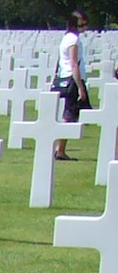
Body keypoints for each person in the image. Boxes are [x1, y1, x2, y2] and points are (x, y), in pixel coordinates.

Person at [56, 11, 90, 161]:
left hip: (66, 78)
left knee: (69, 116)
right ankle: (60, 150)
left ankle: (60, 149)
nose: (85, 27)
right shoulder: (73, 40)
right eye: (83, 24)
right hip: (72, 81)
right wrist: (81, 87)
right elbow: (74, 64)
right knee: (68, 117)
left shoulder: (67, 38)